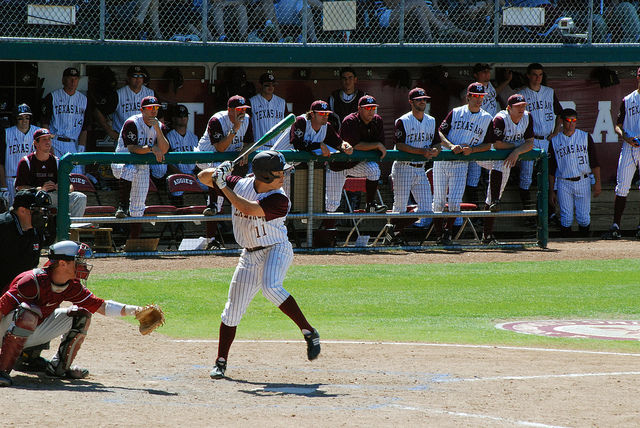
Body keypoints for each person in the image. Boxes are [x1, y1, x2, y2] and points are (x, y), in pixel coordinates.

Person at [198, 151, 321, 379]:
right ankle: (221, 362)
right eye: (278, 173)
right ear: (264, 175)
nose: (283, 176)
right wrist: (219, 172)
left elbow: (246, 208)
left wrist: (222, 185)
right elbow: (202, 176)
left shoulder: (280, 199)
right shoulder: (240, 184)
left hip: (276, 248)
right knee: (232, 311)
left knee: (271, 287)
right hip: (249, 255)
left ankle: (309, 331)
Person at [0, 240, 148, 387]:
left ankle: (59, 368)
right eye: (78, 260)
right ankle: (2, 372)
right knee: (28, 315)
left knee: (82, 314)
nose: (82, 264)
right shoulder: (31, 281)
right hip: (5, 331)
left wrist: (136, 310)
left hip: (29, 332)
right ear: (63, 263)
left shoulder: (72, 285)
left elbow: (101, 306)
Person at [434, 83, 494, 245]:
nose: (479, 99)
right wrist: (451, 146)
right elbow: (440, 133)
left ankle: (447, 232)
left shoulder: (487, 118)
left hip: (462, 163)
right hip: (444, 159)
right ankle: (438, 235)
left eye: (481, 96)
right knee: (438, 201)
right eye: (475, 96)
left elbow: (488, 145)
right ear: (468, 97)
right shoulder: (456, 112)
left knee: (454, 201)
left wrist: (473, 150)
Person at [322, 95, 387, 231]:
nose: (371, 111)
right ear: (359, 109)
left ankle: (370, 204)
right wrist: (376, 145)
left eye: (373, 108)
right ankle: (326, 234)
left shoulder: (377, 121)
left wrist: (377, 145)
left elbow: (382, 144)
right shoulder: (350, 121)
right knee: (332, 204)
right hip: (338, 165)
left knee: (374, 169)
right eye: (367, 108)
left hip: (355, 164)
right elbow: (356, 145)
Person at [385, 88, 441, 244]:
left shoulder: (431, 120)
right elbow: (400, 145)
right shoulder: (403, 121)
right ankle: (395, 238)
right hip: (403, 167)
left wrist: (436, 150)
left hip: (420, 168)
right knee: (400, 207)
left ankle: (394, 230)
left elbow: (437, 142)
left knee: (427, 208)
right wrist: (421, 151)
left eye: (424, 99)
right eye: (419, 99)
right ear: (411, 102)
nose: (422, 102)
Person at [111, 96, 170, 240]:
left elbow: (164, 149)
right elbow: (132, 149)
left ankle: (134, 241)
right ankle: (123, 206)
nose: (153, 111)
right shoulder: (132, 123)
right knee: (130, 168)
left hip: (142, 165)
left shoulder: (159, 125)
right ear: (142, 110)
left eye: (156, 108)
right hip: (122, 162)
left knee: (138, 205)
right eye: (149, 108)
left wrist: (158, 130)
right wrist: (151, 147)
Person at [479, 94, 534, 245]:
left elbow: (530, 143)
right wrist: (517, 146)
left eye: (523, 106)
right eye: (518, 106)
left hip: (506, 158)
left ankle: (486, 236)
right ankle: (495, 201)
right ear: (509, 108)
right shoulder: (500, 118)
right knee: (500, 166)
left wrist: (517, 151)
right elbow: (497, 144)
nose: (521, 109)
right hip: (485, 154)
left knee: (493, 194)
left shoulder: (528, 117)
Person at [462, 63, 513, 207]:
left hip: (490, 134)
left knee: (492, 171)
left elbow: (495, 92)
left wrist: (507, 81)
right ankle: (473, 210)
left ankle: (487, 206)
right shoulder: (470, 90)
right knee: (473, 176)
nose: (487, 74)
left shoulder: (489, 87)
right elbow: (464, 108)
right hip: (476, 135)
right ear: (475, 75)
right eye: (483, 72)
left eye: (488, 71)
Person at [518, 63, 563, 221]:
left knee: (550, 177)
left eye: (540, 75)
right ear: (528, 76)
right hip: (529, 141)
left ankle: (550, 213)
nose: (538, 78)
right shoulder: (521, 95)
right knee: (526, 177)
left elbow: (560, 113)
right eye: (534, 75)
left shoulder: (549, 92)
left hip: (546, 140)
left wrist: (556, 131)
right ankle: (528, 214)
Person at [197, 95, 254, 216]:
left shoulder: (247, 119)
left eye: (244, 109)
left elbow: (249, 143)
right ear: (229, 110)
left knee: (248, 171)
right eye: (239, 109)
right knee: (219, 168)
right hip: (206, 156)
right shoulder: (217, 120)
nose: (242, 112)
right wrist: (235, 128)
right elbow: (220, 148)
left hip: (228, 156)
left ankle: (219, 206)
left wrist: (244, 152)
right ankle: (213, 204)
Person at [282, 100, 353, 196]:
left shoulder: (326, 126)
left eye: (327, 113)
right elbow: (297, 144)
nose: (325, 116)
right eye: (322, 113)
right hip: (276, 163)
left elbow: (338, 142)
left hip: (290, 167)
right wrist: (319, 145)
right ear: (312, 114)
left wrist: (345, 146)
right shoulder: (301, 121)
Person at [549, 109, 601, 238]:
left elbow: (594, 162)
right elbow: (551, 169)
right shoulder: (555, 141)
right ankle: (567, 246)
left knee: (583, 217)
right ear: (562, 121)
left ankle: (585, 245)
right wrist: (551, 191)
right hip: (563, 182)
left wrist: (598, 183)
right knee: (566, 217)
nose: (571, 123)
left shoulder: (585, 137)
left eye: (574, 120)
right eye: (568, 120)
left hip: (583, 179)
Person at [602, 67, 640, 239]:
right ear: (637, 77)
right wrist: (625, 137)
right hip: (629, 145)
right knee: (622, 187)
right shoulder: (628, 99)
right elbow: (618, 125)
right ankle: (616, 226)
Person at [15, 128, 87, 218]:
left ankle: (69, 226)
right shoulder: (26, 162)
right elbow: (20, 188)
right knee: (34, 198)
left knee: (80, 197)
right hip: (35, 197)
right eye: (44, 139)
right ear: (36, 143)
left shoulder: (57, 161)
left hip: (54, 197)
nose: (48, 142)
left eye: (49, 139)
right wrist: (41, 189)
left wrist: (61, 187)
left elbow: (70, 186)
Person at [40, 67, 90, 175]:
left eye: (75, 79)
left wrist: (81, 148)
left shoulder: (84, 100)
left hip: (72, 144)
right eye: (69, 78)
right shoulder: (52, 97)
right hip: (55, 141)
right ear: (63, 80)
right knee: (55, 175)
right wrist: (48, 145)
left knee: (76, 176)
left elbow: (85, 127)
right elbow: (45, 123)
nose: (73, 82)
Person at [0, 189, 50, 293]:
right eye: (37, 209)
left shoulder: (37, 232)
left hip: (18, 290)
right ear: (22, 210)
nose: (41, 213)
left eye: (42, 210)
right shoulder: (3, 226)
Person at [94, 66, 157, 143]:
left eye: (140, 76)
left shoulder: (151, 94)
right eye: (134, 76)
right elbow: (98, 112)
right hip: (124, 140)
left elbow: (160, 117)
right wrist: (112, 133)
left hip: (146, 139)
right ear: (128, 78)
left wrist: (158, 135)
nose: (138, 79)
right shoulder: (118, 94)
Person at [0, 104, 39, 207]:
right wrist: (3, 187)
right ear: (15, 119)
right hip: (11, 180)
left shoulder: (38, 132)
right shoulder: (6, 133)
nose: (24, 121)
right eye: (20, 118)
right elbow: (1, 162)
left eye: (27, 117)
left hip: (32, 181)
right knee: (13, 211)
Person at [249, 73, 288, 150]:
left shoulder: (281, 102)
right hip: (258, 147)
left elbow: (287, 126)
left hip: (278, 147)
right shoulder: (252, 102)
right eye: (267, 84)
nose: (271, 87)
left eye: (273, 85)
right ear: (260, 85)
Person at [327, 67, 367, 132]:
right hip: (339, 136)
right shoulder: (333, 98)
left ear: (355, 80)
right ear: (340, 80)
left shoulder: (364, 97)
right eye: (344, 78)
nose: (347, 81)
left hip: (359, 136)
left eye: (350, 78)